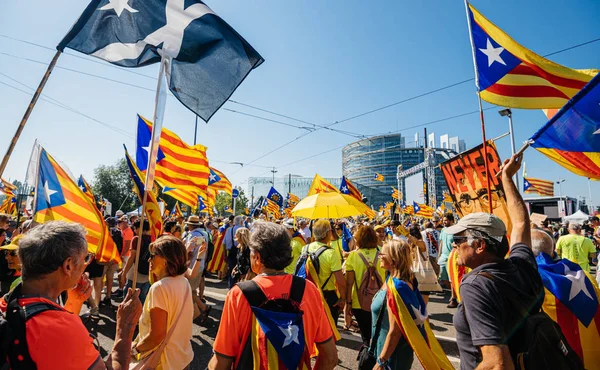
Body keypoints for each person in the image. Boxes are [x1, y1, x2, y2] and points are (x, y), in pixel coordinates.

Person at [448, 153, 544, 370]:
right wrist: (507, 179)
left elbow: (497, 364)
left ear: (480, 245)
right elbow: (520, 223)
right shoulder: (521, 264)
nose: (454, 245)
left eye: (458, 239)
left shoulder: (475, 285)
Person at [8, 221, 142, 369]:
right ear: (68, 265)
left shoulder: (7, 303)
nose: (86, 265)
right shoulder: (61, 328)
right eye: (85, 258)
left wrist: (74, 303)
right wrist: (125, 328)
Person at [208, 222, 338, 370]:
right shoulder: (309, 289)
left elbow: (221, 362)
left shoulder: (239, 294)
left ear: (257, 257)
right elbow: (330, 357)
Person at [132, 236, 194, 369]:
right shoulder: (184, 282)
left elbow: (157, 335)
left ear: (166, 260)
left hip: (163, 361)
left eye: (153, 255)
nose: (149, 259)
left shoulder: (159, 288)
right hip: (182, 358)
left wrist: (135, 350)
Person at [370, 239, 420, 369]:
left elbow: (395, 331)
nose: (379, 255)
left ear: (393, 259)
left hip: (392, 356)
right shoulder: (391, 278)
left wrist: (381, 361)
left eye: (383, 253)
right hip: (384, 347)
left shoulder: (398, 287)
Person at [344, 225, 385, 344]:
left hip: (359, 302)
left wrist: (348, 303)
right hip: (380, 300)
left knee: (366, 336)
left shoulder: (353, 256)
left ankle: (367, 357)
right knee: (378, 334)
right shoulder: (381, 254)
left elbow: (349, 283)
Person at [307, 219, 346, 321]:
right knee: (330, 329)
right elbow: (341, 282)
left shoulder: (305, 249)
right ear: (328, 233)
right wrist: (342, 299)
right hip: (327, 295)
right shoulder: (331, 253)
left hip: (309, 293)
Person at [119, 219, 152, 305]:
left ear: (138, 228)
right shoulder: (152, 239)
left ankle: (128, 317)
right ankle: (139, 317)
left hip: (135, 274)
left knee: (128, 299)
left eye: (135, 228)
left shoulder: (137, 239)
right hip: (147, 275)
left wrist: (124, 273)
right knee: (142, 299)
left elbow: (131, 258)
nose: (134, 230)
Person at [437, 213, 457, 308]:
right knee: (443, 278)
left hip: (451, 257)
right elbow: (441, 243)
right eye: (443, 220)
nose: (444, 222)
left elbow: (458, 243)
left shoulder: (456, 230)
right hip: (443, 257)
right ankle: (455, 293)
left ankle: (453, 298)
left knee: (451, 279)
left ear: (451, 221)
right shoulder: (443, 230)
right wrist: (439, 255)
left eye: (446, 220)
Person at [113, 216, 133, 298]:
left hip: (126, 255)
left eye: (120, 222)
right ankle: (121, 289)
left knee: (123, 274)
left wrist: (122, 255)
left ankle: (122, 290)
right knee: (121, 274)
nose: (118, 224)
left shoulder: (128, 231)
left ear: (124, 223)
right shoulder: (123, 230)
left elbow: (127, 245)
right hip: (124, 255)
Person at [223, 216, 243, 289]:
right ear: (241, 222)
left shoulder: (229, 230)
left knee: (232, 271)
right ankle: (238, 289)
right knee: (241, 271)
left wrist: (224, 254)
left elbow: (224, 243)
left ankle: (231, 288)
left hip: (231, 252)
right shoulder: (243, 230)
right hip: (241, 252)